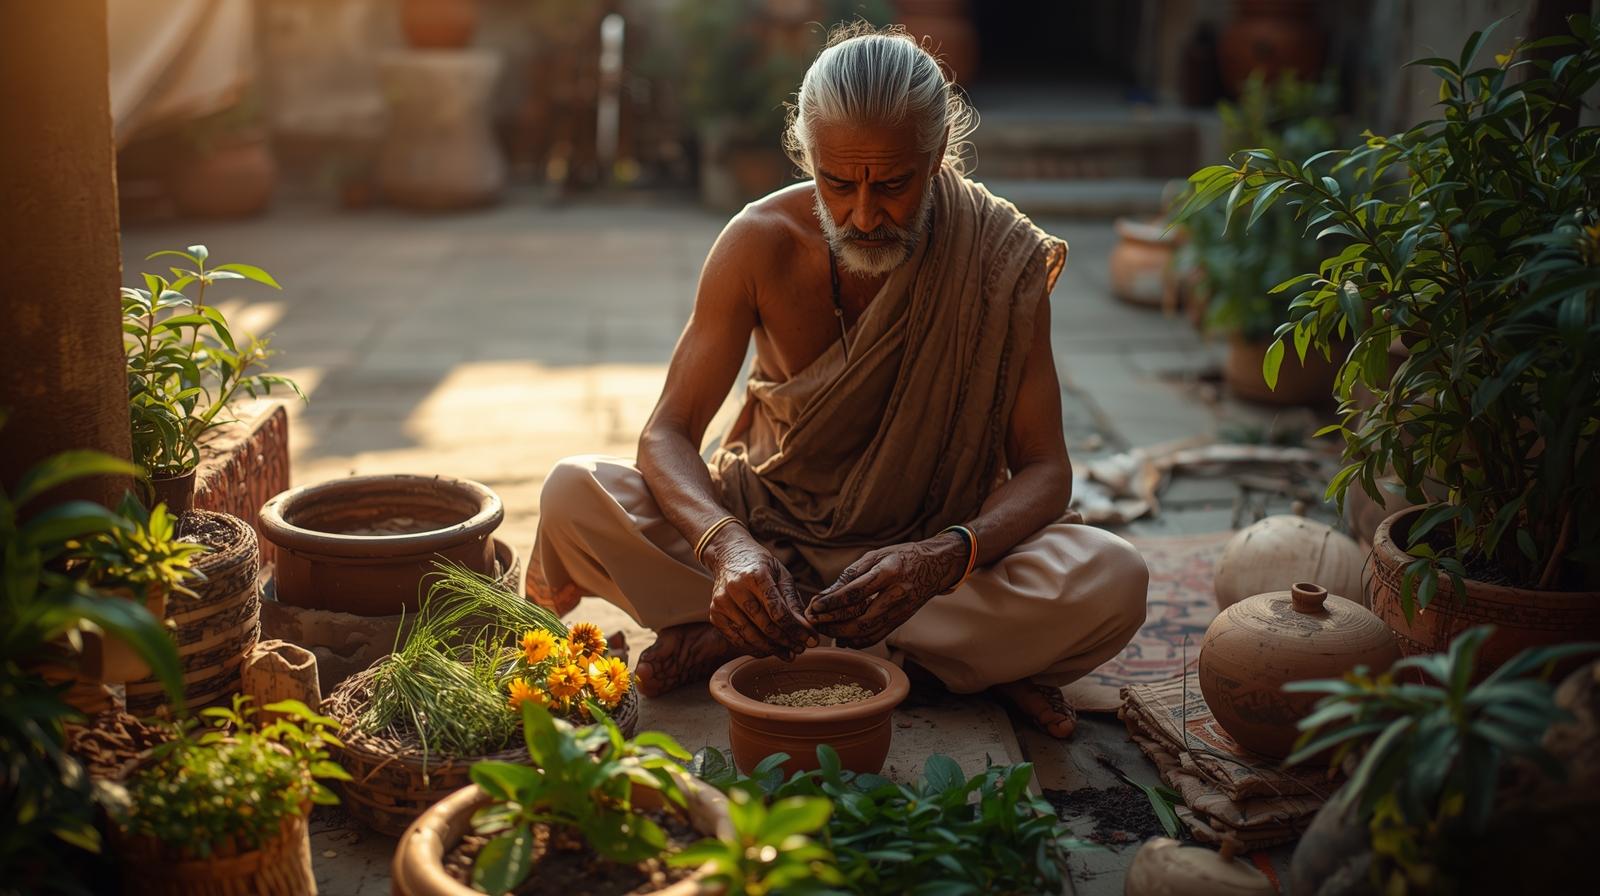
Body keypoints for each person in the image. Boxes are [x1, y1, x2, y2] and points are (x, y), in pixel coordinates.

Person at [528, 24, 1148, 738]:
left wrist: (943, 557)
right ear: (807, 156)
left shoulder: (1001, 255)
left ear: (937, 154)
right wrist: (729, 548)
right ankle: (935, 667)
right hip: (767, 539)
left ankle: (752, 640)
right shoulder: (757, 242)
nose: (862, 214)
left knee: (1113, 576)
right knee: (573, 492)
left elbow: (1045, 469)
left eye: (892, 184)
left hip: (921, 570)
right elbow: (666, 433)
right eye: (837, 182)